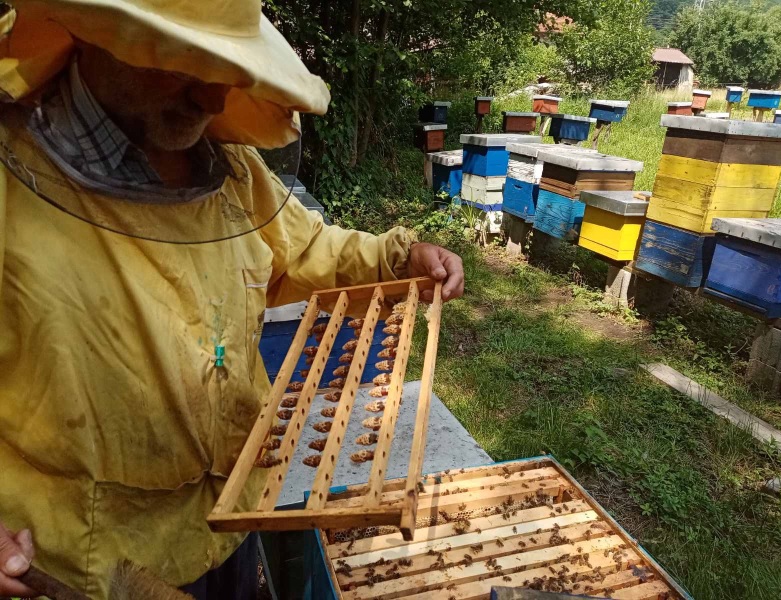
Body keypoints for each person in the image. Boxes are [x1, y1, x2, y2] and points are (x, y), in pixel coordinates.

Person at [0, 0, 464, 597]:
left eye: (225, 67)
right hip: (82, 567)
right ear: (95, 34)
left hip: (233, 518)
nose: (214, 99)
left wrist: (397, 256)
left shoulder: (232, 167)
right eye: (184, 63)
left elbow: (303, 247)